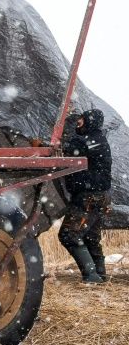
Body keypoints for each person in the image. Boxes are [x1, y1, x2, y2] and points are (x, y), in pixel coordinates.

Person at [58, 109, 113, 283]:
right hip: (101, 196)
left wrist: (43, 145)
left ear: (90, 121)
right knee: (91, 238)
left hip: (88, 197)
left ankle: (91, 276)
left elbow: (69, 150)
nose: (78, 122)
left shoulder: (86, 141)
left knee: (68, 234)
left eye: (81, 119)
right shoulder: (100, 140)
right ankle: (100, 275)